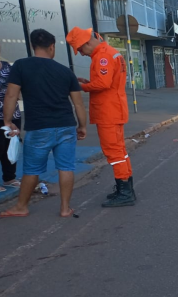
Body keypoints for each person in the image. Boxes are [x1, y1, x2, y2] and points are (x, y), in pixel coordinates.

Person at [0, 29, 87, 218]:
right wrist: (82, 126)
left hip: (39, 127)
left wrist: (7, 120)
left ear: (33, 46)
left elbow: (11, 95)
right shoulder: (66, 71)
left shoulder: (21, 65)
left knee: (32, 169)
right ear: (52, 47)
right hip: (66, 125)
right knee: (66, 167)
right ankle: (65, 208)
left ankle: (21, 207)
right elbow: (78, 104)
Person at [66, 26, 134, 207]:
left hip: (108, 112)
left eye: (80, 50)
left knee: (114, 152)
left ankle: (125, 192)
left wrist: (80, 86)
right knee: (120, 151)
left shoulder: (102, 56)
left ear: (86, 43)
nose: (81, 54)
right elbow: (108, 82)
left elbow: (103, 83)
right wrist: (90, 83)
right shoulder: (110, 53)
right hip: (114, 109)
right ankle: (126, 188)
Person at [0, 43, 22, 193]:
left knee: (11, 145)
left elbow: (17, 88)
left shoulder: (8, 67)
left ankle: (9, 177)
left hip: (12, 113)